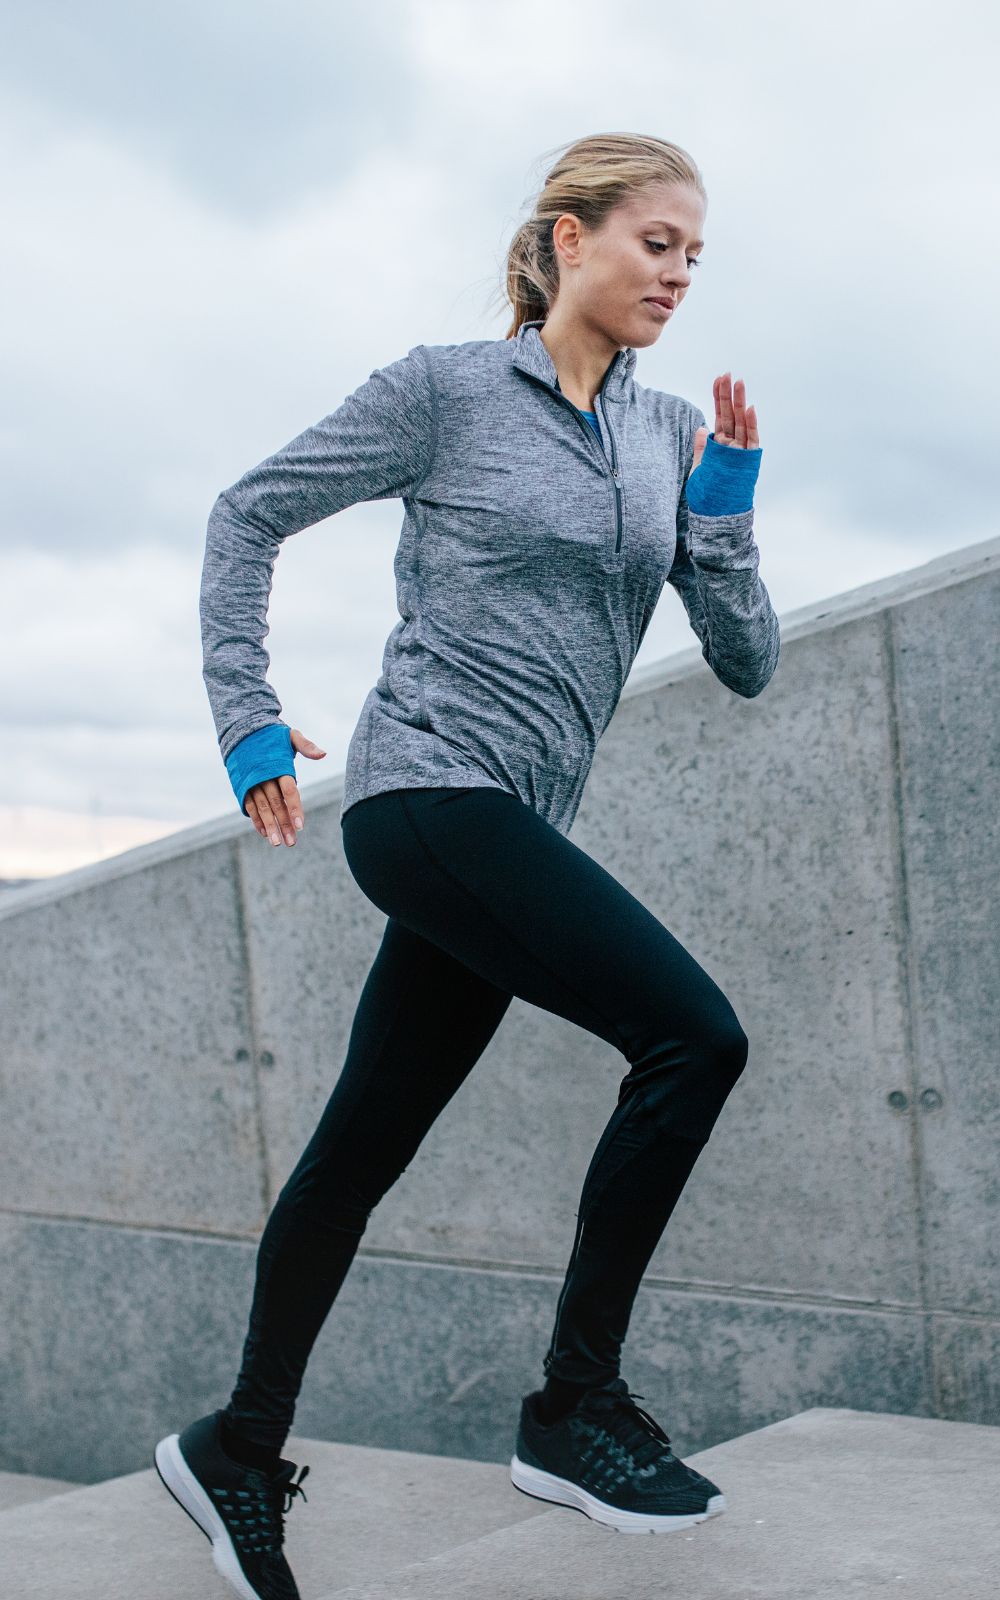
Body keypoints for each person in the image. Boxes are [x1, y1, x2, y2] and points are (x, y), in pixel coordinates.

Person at [154, 130, 780, 1599]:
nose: (680, 274)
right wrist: (246, 718)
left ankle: (239, 1443)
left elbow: (747, 663)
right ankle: (575, 1408)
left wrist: (732, 516)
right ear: (569, 239)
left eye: (698, 253)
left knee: (360, 1148)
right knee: (695, 1036)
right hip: (427, 795)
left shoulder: (677, 433)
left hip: (515, 831)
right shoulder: (441, 391)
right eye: (656, 243)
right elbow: (247, 512)